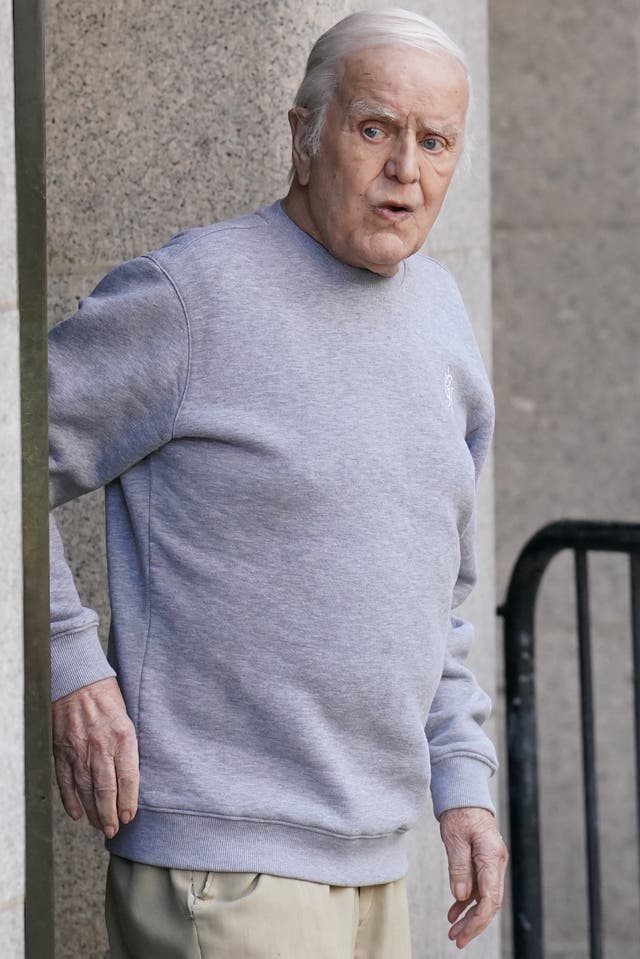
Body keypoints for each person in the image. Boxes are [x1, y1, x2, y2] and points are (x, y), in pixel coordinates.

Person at [49, 8, 508, 958]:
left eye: (436, 141)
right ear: (304, 136)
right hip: (223, 867)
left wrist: (460, 777)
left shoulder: (442, 315)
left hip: (379, 860)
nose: (406, 171)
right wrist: (68, 663)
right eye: (375, 129)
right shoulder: (189, 296)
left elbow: (435, 591)